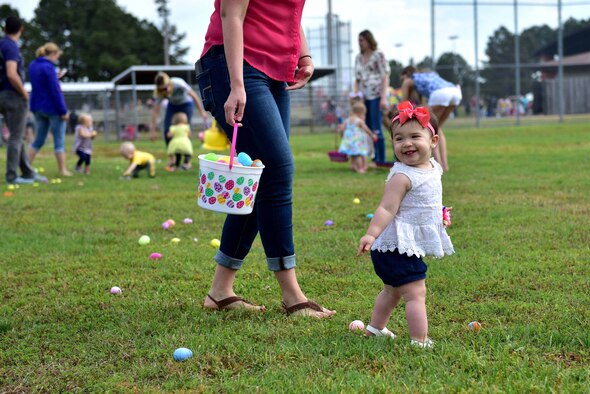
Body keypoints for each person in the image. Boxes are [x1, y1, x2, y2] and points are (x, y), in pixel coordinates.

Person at [196, 0, 335, 318]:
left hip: (273, 73)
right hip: (235, 68)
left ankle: (220, 291)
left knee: (261, 179)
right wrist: (236, 85)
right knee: (278, 169)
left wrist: (304, 56)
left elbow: (292, 14)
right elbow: (232, 14)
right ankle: (292, 295)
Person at [357, 101, 454, 348]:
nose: (406, 143)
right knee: (415, 293)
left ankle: (375, 329)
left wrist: (438, 213)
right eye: (399, 139)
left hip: (401, 246)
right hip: (395, 246)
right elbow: (387, 208)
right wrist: (371, 234)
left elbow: (424, 201)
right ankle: (419, 340)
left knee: (392, 291)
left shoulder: (433, 167)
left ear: (433, 141)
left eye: (414, 136)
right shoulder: (402, 176)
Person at [0, 16, 46, 185]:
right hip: (13, 95)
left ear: (5, 29)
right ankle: (12, 176)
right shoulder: (11, 46)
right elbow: (12, 73)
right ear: (21, 29)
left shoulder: (1, 44)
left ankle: (27, 172)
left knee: (16, 136)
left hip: (2, 95)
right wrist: (24, 93)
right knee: (16, 137)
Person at [400, 66, 462, 172]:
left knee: (431, 131)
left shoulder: (409, 80)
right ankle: (444, 165)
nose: (402, 81)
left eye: (402, 78)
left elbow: (403, 104)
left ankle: (438, 165)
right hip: (455, 92)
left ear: (406, 74)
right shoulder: (426, 76)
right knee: (438, 129)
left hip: (441, 94)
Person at [27, 42, 72, 176]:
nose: (57, 59)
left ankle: (26, 166)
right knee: (59, 140)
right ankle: (63, 170)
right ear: (53, 54)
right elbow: (55, 91)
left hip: (37, 107)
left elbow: (40, 84)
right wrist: (63, 111)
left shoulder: (33, 65)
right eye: (57, 56)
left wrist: (53, 76)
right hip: (52, 108)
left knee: (39, 139)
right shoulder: (49, 67)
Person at [149, 72, 208, 167]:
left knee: (185, 130)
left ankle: (187, 160)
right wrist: (152, 131)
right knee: (167, 130)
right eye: (163, 89)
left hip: (186, 104)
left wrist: (202, 111)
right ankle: (173, 159)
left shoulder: (178, 83)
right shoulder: (159, 93)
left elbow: (194, 96)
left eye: (167, 86)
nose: (166, 90)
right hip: (172, 106)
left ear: (169, 82)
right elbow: (155, 111)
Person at [354, 30, 390, 164]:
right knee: (367, 127)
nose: (360, 43)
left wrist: (383, 97)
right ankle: (374, 156)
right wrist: (356, 96)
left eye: (362, 40)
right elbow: (357, 79)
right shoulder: (358, 57)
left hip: (376, 95)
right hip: (364, 97)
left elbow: (385, 75)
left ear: (369, 40)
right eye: (359, 41)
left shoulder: (378, 55)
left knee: (376, 127)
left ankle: (381, 158)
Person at [338, 101, 377, 173]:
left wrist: (342, 135)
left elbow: (342, 129)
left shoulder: (347, 120)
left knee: (352, 155)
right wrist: (372, 135)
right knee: (358, 154)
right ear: (360, 113)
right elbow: (366, 129)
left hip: (349, 141)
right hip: (357, 142)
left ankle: (354, 166)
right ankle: (360, 168)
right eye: (364, 115)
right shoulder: (359, 121)